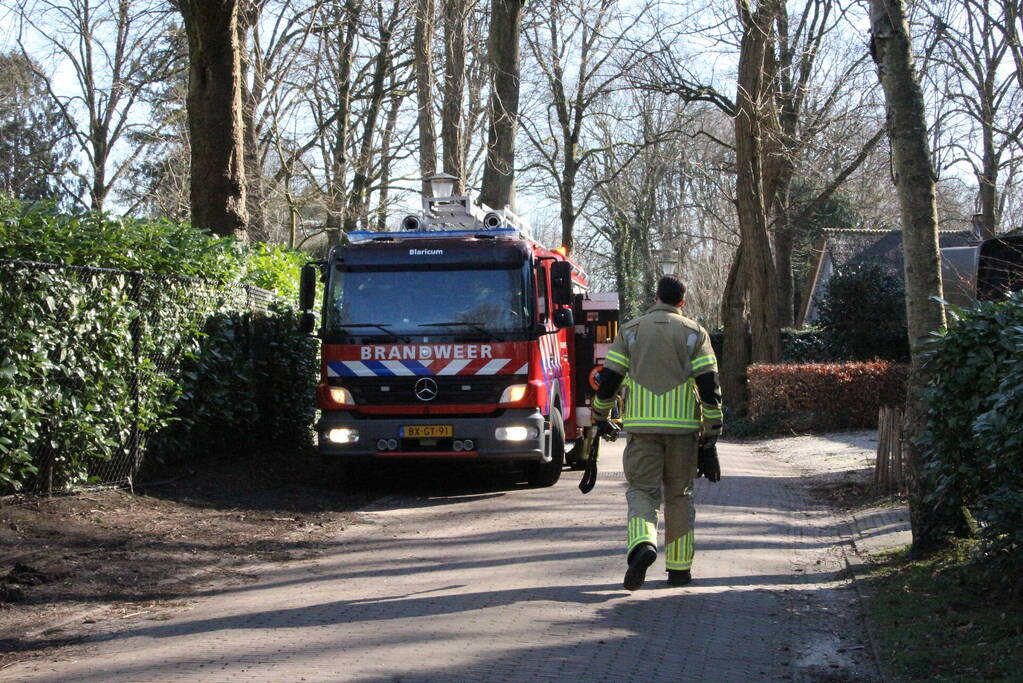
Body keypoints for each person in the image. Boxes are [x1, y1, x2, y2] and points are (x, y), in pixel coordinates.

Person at [591, 275, 723, 590]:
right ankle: (678, 570)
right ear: (682, 301)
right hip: (684, 433)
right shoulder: (695, 333)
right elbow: (709, 386)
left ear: (656, 297)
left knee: (641, 491)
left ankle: (643, 544)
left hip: (642, 430)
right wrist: (712, 434)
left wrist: (600, 414)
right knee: (679, 496)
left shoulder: (631, 331)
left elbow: (609, 378)